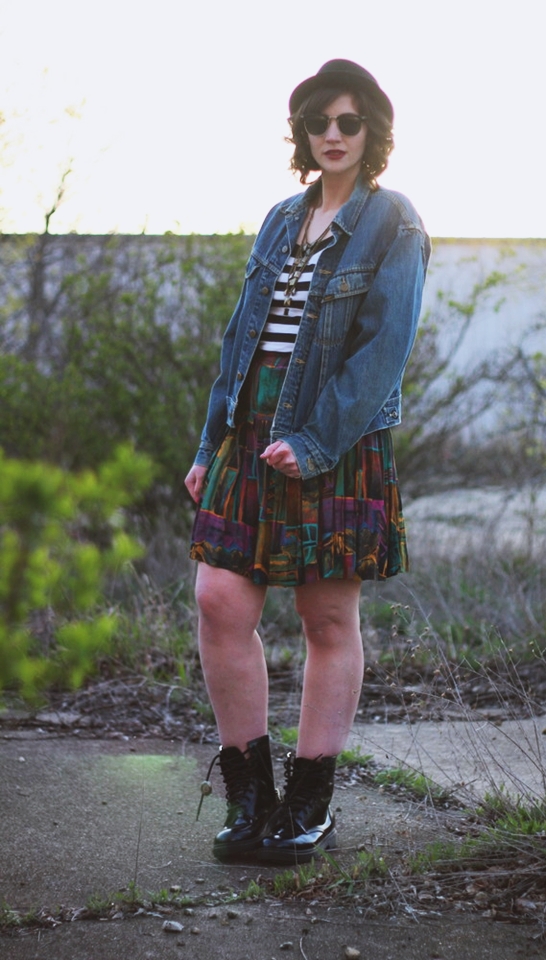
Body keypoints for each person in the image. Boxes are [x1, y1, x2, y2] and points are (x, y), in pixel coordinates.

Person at [184, 59, 430, 865]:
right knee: (221, 602)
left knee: (327, 622)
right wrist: (209, 443)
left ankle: (308, 804)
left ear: (372, 134)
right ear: (302, 133)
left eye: (348, 122)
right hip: (249, 440)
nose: (332, 134)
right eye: (319, 122)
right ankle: (249, 796)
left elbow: (381, 355)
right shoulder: (278, 220)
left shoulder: (392, 223)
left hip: (335, 446)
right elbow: (238, 339)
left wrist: (318, 440)